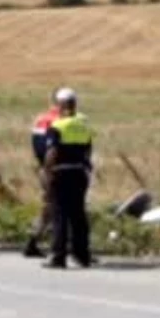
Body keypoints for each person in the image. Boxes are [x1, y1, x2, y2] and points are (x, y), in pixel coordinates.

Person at [43, 88, 94, 269]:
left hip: (61, 172)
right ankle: (82, 255)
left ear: (60, 105)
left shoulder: (57, 126)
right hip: (79, 173)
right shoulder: (84, 125)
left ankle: (59, 255)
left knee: (60, 215)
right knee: (78, 215)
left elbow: (51, 152)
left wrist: (48, 174)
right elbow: (88, 150)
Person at [23, 89, 63, 257]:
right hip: (56, 169)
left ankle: (35, 239)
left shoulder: (40, 120)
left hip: (43, 168)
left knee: (48, 206)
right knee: (58, 207)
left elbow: (36, 145)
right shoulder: (60, 121)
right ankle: (56, 244)